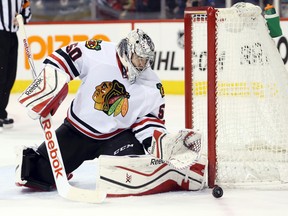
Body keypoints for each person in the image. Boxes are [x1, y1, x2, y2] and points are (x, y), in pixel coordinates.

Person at [15, 29, 206, 194]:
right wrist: (49, 84)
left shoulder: (152, 86)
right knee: (35, 174)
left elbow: (148, 123)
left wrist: (157, 141)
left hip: (117, 138)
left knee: (132, 171)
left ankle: (169, 173)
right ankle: (63, 165)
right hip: (76, 132)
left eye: (145, 60)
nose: (141, 64)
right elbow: (63, 59)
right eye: (138, 58)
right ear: (127, 50)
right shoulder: (99, 52)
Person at [0, 0, 32, 131]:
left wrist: (22, 18)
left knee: (9, 77)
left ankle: (1, 113)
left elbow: (27, 10)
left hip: (13, 36)